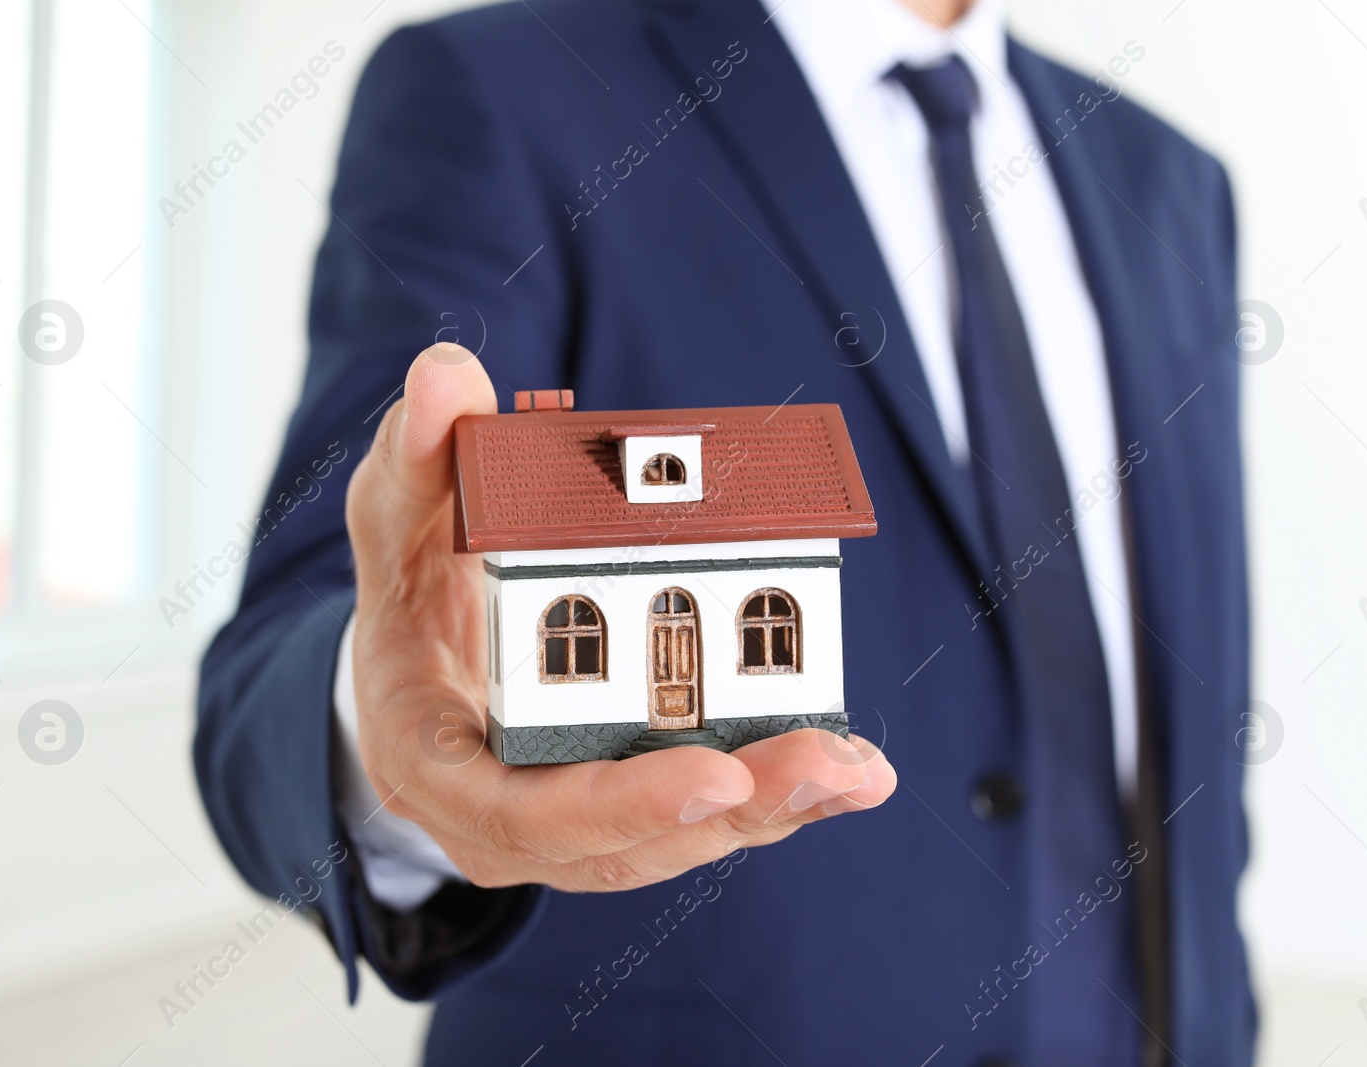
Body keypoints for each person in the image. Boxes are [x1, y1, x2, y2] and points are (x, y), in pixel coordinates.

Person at [195, 0, 1253, 1062]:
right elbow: (285, 657)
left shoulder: (1168, 179)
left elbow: (1191, 687)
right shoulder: (503, 90)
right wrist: (390, 736)